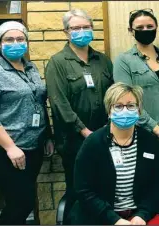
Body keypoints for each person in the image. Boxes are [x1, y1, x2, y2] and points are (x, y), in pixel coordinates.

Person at [0, 21, 54, 225]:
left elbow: (38, 101)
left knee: (22, 202)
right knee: (21, 203)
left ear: (26, 41)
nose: (15, 43)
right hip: (3, 152)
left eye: (20, 38)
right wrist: (10, 147)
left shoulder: (30, 66)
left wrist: (47, 136)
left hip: (33, 148)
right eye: (9, 39)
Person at [113, 8, 159, 219]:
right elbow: (125, 101)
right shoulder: (124, 60)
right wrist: (156, 128)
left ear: (156, 28)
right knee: (148, 187)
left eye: (149, 27)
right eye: (140, 28)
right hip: (143, 135)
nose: (145, 30)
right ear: (130, 31)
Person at [45, 9, 114, 222]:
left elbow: (112, 96)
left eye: (86, 27)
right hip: (74, 141)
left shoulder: (102, 60)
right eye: (75, 28)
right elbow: (59, 104)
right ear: (66, 32)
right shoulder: (57, 62)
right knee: (79, 191)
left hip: (105, 138)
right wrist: (84, 131)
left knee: (105, 188)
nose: (81, 31)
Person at [70, 82, 159, 225]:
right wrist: (114, 220)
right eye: (118, 106)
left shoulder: (149, 142)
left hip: (139, 215)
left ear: (139, 110)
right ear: (109, 111)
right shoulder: (93, 143)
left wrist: (142, 215)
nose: (125, 110)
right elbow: (84, 190)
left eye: (131, 105)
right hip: (100, 216)